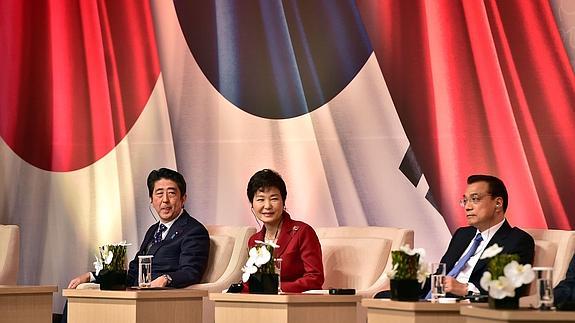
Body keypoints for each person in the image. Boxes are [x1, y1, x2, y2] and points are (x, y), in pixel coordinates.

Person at [62, 168, 210, 321]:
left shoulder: (194, 230)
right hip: (135, 295)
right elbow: (133, 272)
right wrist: (92, 276)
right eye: (159, 193)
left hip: (161, 299)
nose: (165, 200)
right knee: (77, 298)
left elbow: (191, 271)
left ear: (183, 198)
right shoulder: (153, 230)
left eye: (171, 193)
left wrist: (166, 279)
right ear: (151, 200)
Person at [424, 174, 535, 297]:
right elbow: (439, 276)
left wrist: (465, 289)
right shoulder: (462, 234)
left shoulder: (517, 241)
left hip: (465, 309)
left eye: (475, 199)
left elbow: (508, 290)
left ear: (498, 203)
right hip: (431, 302)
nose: (467, 207)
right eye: (465, 201)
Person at [244, 169, 324, 293]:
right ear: (252, 205)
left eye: (274, 198)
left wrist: (275, 289)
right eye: (260, 199)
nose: (267, 206)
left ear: (283, 201)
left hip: (296, 304)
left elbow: (315, 278)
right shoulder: (254, 241)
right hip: (262, 305)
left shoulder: (303, 232)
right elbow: (253, 280)